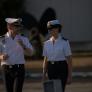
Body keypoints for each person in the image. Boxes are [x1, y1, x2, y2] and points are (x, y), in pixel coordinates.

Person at [0, 18, 33, 92]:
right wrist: (1, 57)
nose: (19, 28)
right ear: (9, 26)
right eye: (16, 26)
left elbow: (31, 53)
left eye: (19, 26)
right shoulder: (1, 39)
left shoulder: (23, 38)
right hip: (6, 69)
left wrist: (23, 46)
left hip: (19, 68)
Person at [42, 19, 72, 92]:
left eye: (51, 29)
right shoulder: (46, 43)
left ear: (57, 29)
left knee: (59, 90)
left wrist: (69, 76)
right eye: (49, 29)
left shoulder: (65, 42)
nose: (50, 31)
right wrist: (44, 74)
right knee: (51, 90)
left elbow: (69, 60)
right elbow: (45, 60)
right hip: (51, 69)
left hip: (62, 68)